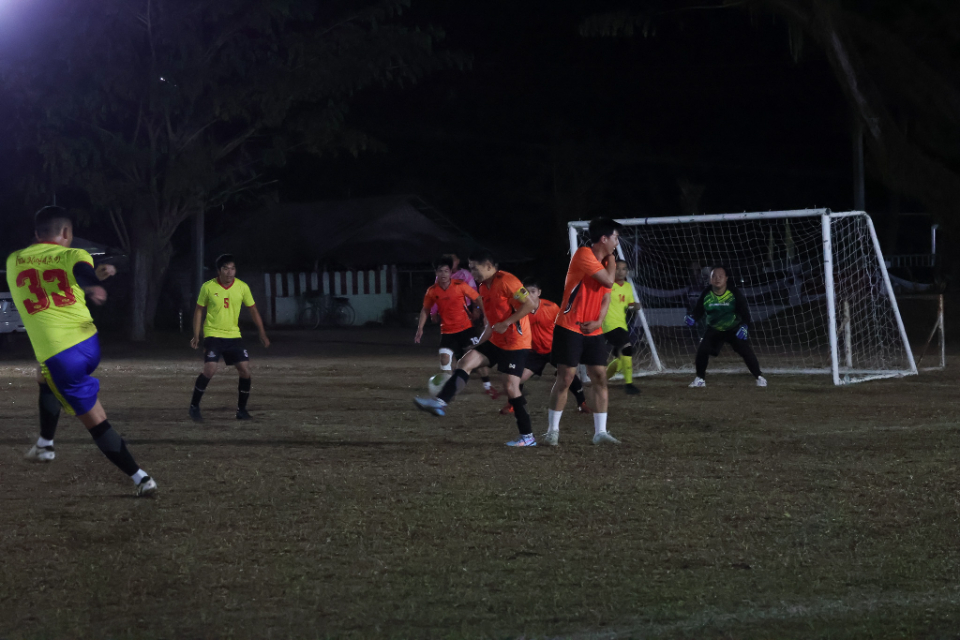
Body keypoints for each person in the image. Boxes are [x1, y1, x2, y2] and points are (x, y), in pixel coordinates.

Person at [7, 206, 157, 496]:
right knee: (42, 375)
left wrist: (91, 283)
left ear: (36, 234)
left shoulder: (15, 260)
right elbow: (80, 273)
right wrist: (94, 283)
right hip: (87, 342)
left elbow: (54, 273)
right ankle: (45, 444)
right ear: (66, 232)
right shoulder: (75, 254)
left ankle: (141, 478)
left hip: (62, 356)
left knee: (96, 421)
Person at [413, 250, 538, 447]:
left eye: (474, 268)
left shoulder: (508, 281)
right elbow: (490, 323)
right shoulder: (483, 288)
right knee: (466, 361)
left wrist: (507, 323)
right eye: (470, 268)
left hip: (516, 343)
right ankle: (440, 402)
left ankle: (527, 437)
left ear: (488, 266)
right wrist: (479, 343)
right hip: (496, 340)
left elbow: (530, 305)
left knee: (511, 387)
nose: (471, 273)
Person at [545, 217, 622, 446]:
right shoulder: (583, 254)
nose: (617, 242)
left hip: (593, 330)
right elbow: (608, 282)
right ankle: (552, 432)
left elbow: (606, 297)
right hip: (570, 326)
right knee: (566, 378)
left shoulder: (605, 262)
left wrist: (599, 321)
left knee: (600, 376)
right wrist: (613, 261)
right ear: (604, 238)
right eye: (616, 237)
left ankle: (600, 432)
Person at [189, 254, 270, 421]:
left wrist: (262, 332)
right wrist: (196, 335)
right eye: (226, 269)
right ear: (219, 271)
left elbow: (253, 310)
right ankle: (194, 406)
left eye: (232, 268)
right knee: (210, 369)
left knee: (245, 371)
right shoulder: (208, 287)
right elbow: (199, 310)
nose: (230, 272)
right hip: (213, 334)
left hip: (233, 335)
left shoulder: (242, 287)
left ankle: (241, 410)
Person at [498, 279, 592, 415]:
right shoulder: (518, 310)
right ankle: (512, 404)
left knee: (568, 375)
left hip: (554, 349)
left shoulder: (551, 307)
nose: (529, 295)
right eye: (526, 292)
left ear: (539, 293)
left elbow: (564, 325)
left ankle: (582, 403)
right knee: (518, 378)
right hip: (534, 352)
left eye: (533, 291)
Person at [424, 253, 499, 398]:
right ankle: (448, 387)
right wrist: (434, 312)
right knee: (451, 358)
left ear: (457, 261)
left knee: (475, 354)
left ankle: (487, 385)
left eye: (453, 259)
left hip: (466, 320)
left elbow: (476, 296)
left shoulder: (465, 276)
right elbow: (435, 295)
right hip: (449, 326)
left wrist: (478, 311)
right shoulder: (440, 278)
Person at [685, 266, 767, 388]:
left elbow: (745, 313)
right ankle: (700, 379)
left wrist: (744, 326)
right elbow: (698, 311)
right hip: (714, 329)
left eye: (720, 276)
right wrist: (692, 317)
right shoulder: (706, 293)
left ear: (726, 278)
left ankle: (759, 377)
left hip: (733, 329)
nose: (717, 279)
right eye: (714, 276)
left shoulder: (734, 293)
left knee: (745, 351)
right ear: (710, 279)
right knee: (703, 351)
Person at [416, 256, 481, 374]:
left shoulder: (460, 285)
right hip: (447, 330)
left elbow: (478, 299)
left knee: (475, 356)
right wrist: (420, 328)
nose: (443, 274)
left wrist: (479, 310)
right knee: (444, 359)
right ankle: (448, 382)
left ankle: (486, 381)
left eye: (446, 271)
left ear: (451, 272)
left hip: (465, 327)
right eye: (440, 271)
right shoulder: (432, 291)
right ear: (436, 273)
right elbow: (425, 309)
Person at [602, 259, 642, 395]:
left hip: (621, 324)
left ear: (627, 272)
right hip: (608, 324)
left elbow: (628, 305)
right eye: (617, 268)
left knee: (622, 357)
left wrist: (634, 306)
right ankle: (629, 385)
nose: (620, 271)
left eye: (624, 269)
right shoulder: (606, 285)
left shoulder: (627, 286)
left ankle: (603, 380)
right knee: (628, 348)